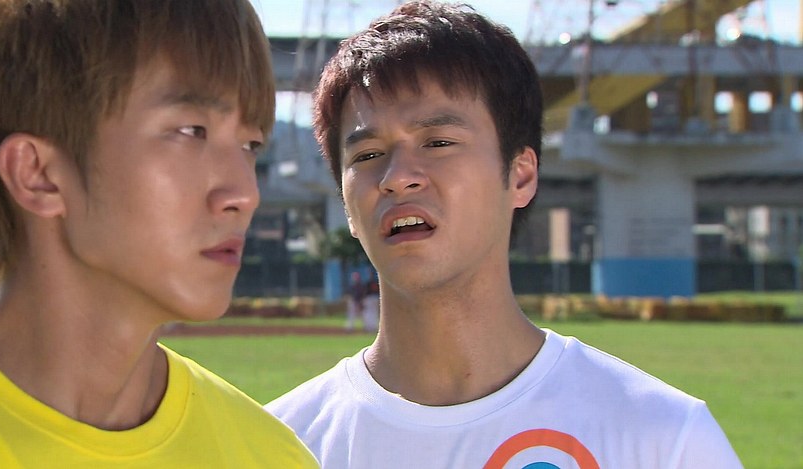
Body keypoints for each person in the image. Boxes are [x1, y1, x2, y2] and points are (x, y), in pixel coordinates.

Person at [266, 2, 743, 467]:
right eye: (368, 155)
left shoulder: (664, 438)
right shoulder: (278, 446)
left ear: (520, 176)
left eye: (438, 143)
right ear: (345, 203)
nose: (398, 177)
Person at [0, 0, 317, 466]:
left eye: (250, 144)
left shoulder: (270, 455)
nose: (245, 194)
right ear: (38, 174)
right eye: (192, 131)